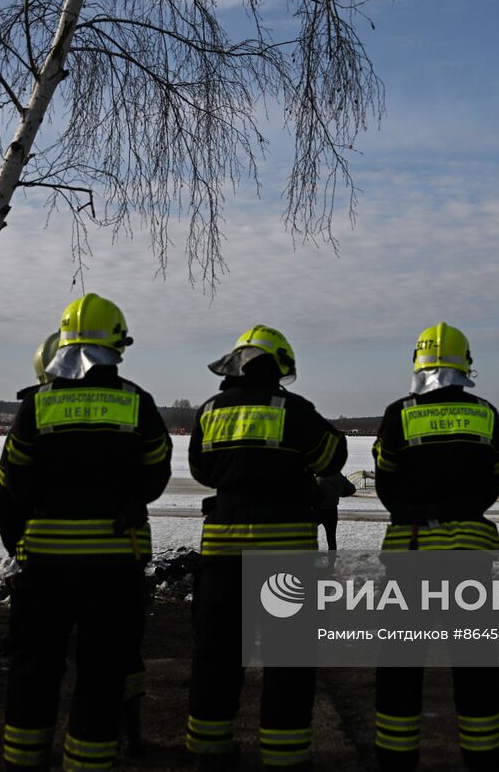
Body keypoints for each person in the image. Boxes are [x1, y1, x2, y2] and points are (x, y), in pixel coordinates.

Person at [0, 294, 171, 771]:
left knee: (35, 666)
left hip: (46, 566)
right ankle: (90, 761)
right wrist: (129, 498)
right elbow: (156, 473)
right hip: (115, 564)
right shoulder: (137, 402)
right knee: (103, 670)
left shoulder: (39, 405)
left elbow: (12, 482)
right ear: (118, 341)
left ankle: (23, 759)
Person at [186, 326, 347, 768]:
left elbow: (201, 469)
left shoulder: (210, 410)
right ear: (276, 367)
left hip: (222, 550)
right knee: (288, 660)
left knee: (217, 653)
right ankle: (284, 754)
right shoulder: (292, 409)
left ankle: (208, 749)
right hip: (286, 552)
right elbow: (331, 456)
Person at [371, 323, 499, 772]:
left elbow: (386, 484)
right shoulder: (485, 413)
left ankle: (395, 758)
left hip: (410, 555)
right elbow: (494, 480)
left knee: (400, 667)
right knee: (475, 665)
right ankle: (484, 758)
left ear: (419, 361)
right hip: (469, 554)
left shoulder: (399, 413)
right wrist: (461, 508)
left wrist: (415, 509)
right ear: (464, 362)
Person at [316, 472, 357, 551]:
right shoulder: (339, 476)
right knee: (331, 538)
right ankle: (331, 561)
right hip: (332, 510)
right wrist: (339, 494)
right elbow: (352, 489)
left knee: (309, 533)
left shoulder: (320, 475)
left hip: (318, 510)